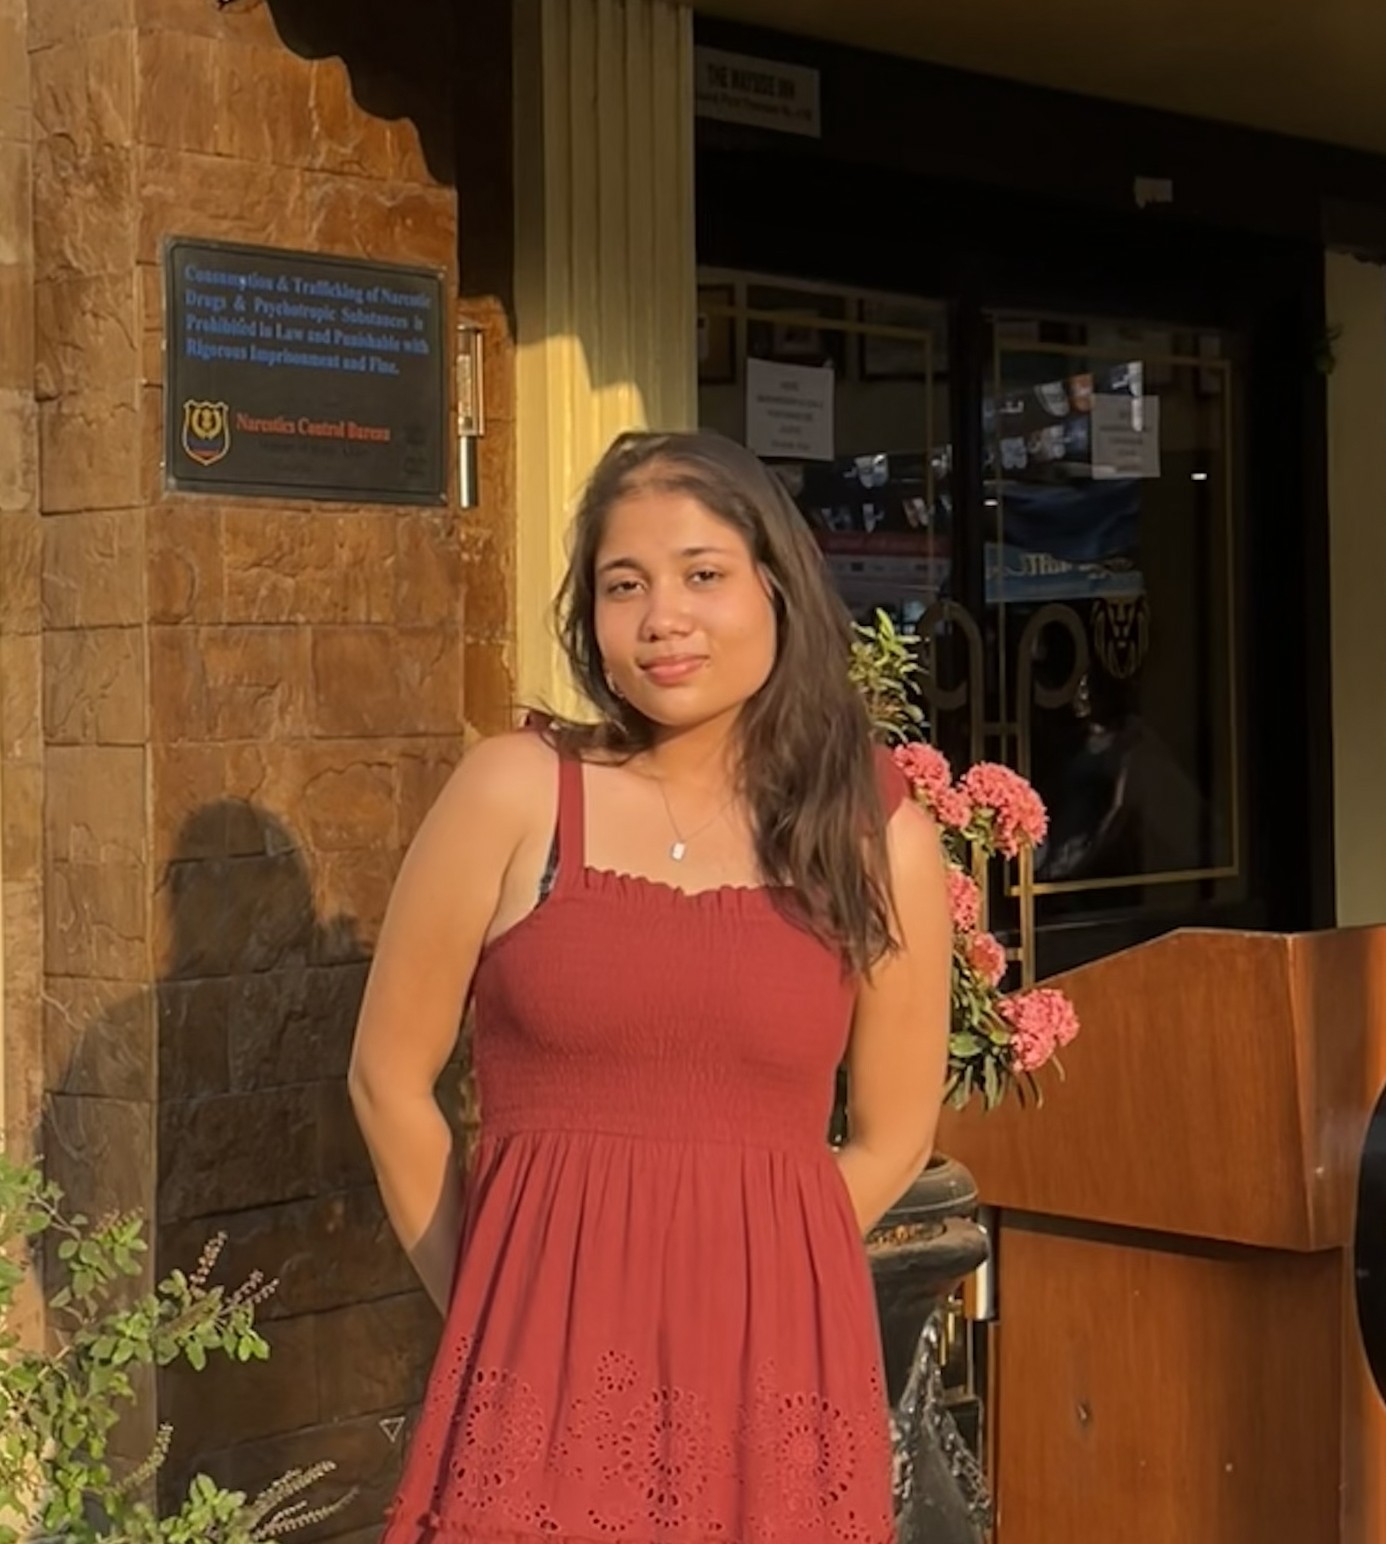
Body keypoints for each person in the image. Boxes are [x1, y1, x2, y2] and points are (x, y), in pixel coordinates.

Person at [349, 429, 952, 1544]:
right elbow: (387, 1076)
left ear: (778, 587)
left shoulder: (875, 833)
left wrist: (751, 1281)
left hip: (776, 1388)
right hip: (535, 1380)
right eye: (624, 585)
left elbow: (895, 1132)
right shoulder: (515, 790)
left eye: (702, 574)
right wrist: (496, 1299)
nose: (662, 616)